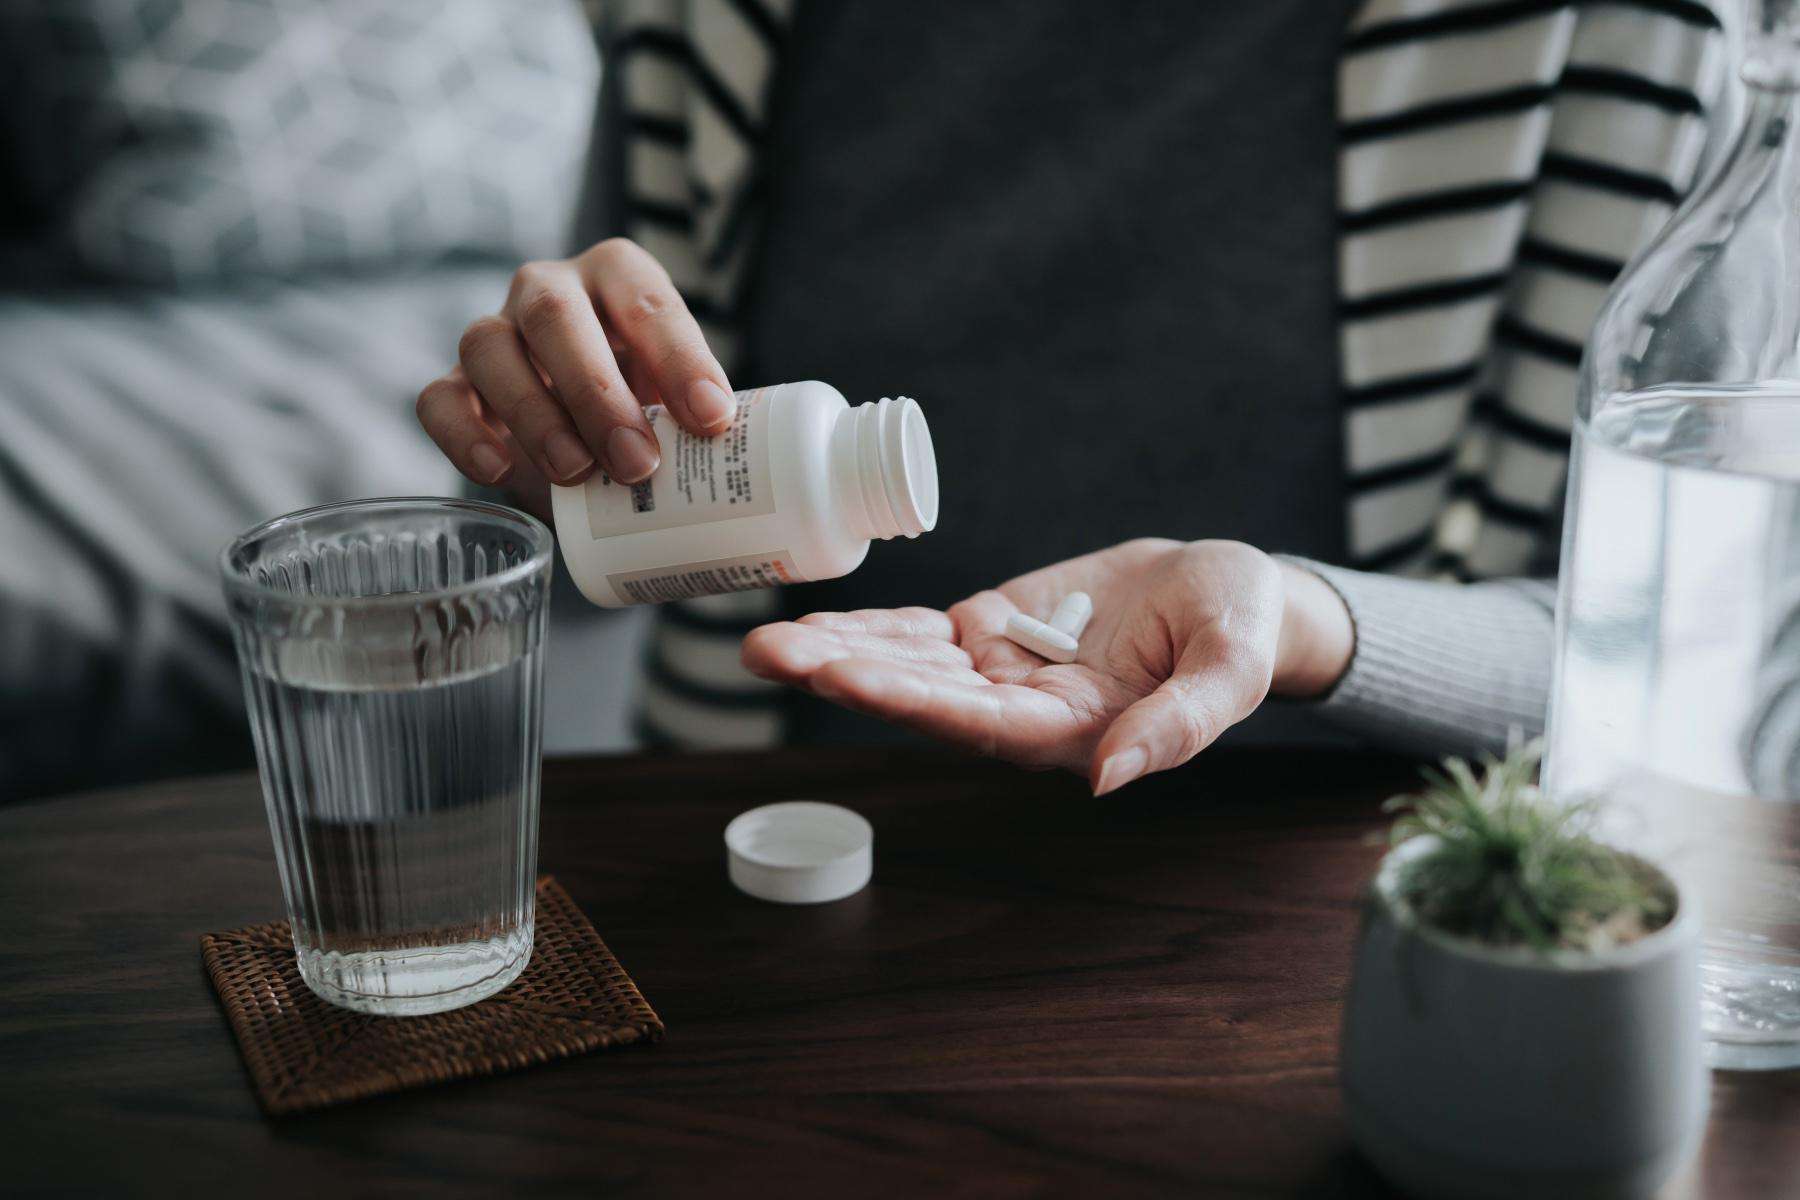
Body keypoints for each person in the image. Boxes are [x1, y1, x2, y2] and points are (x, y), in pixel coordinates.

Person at [417, 0, 1730, 790]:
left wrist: (1299, 621)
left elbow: (1675, 659)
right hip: (788, 866)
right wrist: (547, 465)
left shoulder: (1625, 39)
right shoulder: (724, 19)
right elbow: (574, 537)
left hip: (1325, 920)